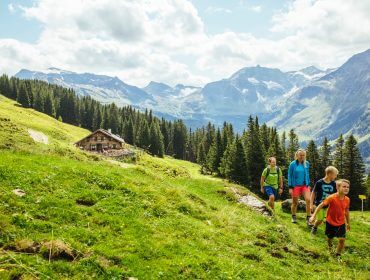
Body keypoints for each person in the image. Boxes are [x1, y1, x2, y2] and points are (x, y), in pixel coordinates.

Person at [310, 179, 350, 257]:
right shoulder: (332, 197)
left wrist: (348, 223)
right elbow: (320, 205)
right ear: (338, 188)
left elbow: (347, 211)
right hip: (330, 222)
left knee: (342, 240)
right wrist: (314, 215)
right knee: (330, 238)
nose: (346, 188)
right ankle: (330, 247)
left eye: (348, 187)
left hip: (341, 222)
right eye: (344, 186)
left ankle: (338, 255)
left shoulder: (347, 199)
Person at [310, 166, 338, 234]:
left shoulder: (334, 183)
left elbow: (336, 194)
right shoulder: (319, 182)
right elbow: (313, 193)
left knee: (329, 219)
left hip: (329, 205)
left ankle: (330, 232)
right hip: (319, 204)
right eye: (335, 175)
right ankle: (315, 227)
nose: (335, 176)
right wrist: (311, 204)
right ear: (329, 174)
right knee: (320, 220)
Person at [288, 149, 311, 224]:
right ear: (297, 155)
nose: (302, 156)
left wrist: (308, 183)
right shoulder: (292, 164)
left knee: (308, 200)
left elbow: (307, 174)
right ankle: (294, 216)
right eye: (300, 155)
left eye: (303, 155)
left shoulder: (306, 163)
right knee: (295, 203)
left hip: (305, 185)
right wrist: (290, 187)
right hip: (295, 186)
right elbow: (290, 176)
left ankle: (308, 217)